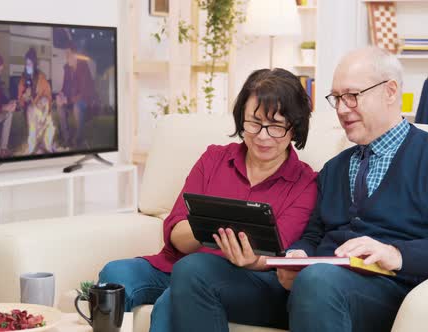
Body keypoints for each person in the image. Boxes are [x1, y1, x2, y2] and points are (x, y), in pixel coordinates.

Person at [171, 47, 428, 332]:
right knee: (195, 270)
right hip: (311, 291)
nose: (342, 109)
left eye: (352, 96)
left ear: (390, 91)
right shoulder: (335, 168)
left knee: (319, 280)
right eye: (337, 98)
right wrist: (296, 256)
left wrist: (396, 254)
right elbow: (312, 235)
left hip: (384, 292)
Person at [98, 68, 317, 331]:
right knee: (115, 274)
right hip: (180, 266)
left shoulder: (305, 183)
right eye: (254, 122)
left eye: (276, 126)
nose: (262, 135)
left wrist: (251, 260)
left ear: (295, 128)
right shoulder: (214, 159)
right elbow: (176, 229)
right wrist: (210, 227)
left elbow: (278, 251)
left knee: (174, 299)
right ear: (241, 119)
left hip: (248, 280)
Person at [55, 45, 96, 149]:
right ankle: (66, 138)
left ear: (75, 55)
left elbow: (83, 93)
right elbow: (64, 87)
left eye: (68, 55)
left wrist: (67, 100)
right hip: (71, 100)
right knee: (59, 106)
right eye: (66, 55)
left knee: (77, 107)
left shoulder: (83, 68)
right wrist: (60, 95)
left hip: (84, 100)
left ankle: (78, 138)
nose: (66, 57)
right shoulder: (67, 68)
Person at [18, 48, 55, 154]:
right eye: (26, 64)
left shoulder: (41, 78)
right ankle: (34, 143)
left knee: (43, 101)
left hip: (42, 110)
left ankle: (45, 143)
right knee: (31, 109)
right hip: (31, 111)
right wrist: (25, 96)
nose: (27, 66)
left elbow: (48, 95)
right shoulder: (23, 79)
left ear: (34, 64)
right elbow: (20, 101)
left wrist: (44, 104)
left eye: (30, 63)